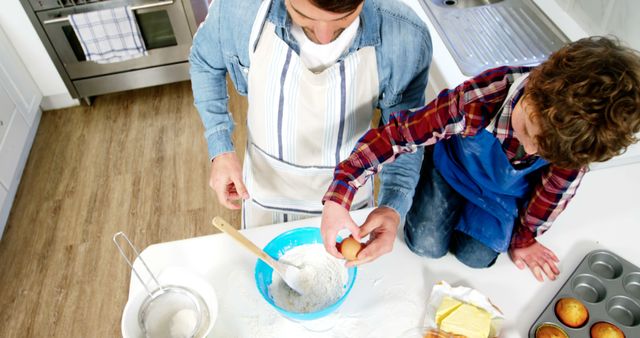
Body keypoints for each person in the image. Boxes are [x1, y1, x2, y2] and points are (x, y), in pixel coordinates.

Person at [321, 36, 640, 281]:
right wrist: (342, 189)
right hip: (453, 169)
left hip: (500, 193)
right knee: (424, 245)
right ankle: (434, 177)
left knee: (477, 257)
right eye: (528, 130)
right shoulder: (483, 97)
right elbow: (398, 134)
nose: (529, 152)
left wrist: (525, 239)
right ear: (535, 85)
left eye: (543, 153)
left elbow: (551, 196)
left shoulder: (575, 141)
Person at [189, 0, 432, 228]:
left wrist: (391, 208)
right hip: (263, 194)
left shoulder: (405, 36)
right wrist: (220, 149)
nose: (324, 37)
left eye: (343, 19)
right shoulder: (240, 10)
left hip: (350, 204)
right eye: (304, 16)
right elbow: (204, 62)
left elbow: (403, 139)